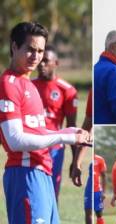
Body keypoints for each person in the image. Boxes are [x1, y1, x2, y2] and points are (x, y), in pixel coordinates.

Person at [0, 22, 90, 224]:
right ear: (14, 47)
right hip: (25, 173)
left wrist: (67, 131)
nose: (36, 56)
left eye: (40, 51)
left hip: (43, 173)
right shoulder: (8, 84)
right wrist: (63, 138)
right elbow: (15, 140)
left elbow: (37, 131)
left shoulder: (28, 84)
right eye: (29, 49)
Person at [32, 45, 78, 201]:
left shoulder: (67, 90)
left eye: (46, 61)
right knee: (32, 193)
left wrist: (75, 159)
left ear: (56, 63)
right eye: (40, 61)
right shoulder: (29, 86)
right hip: (31, 146)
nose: (41, 64)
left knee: (51, 194)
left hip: (54, 149)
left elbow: (71, 128)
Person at [71, 88, 94, 224]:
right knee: (89, 217)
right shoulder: (94, 91)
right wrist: (77, 163)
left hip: (108, 163)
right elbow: (87, 127)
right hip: (95, 167)